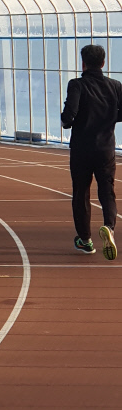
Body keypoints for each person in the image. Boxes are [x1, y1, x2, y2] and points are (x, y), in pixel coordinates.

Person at [61, 44, 122, 260]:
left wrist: (67, 121)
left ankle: (85, 240)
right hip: (105, 148)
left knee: (81, 193)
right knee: (107, 191)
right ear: (104, 63)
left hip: (81, 149)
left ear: (83, 63)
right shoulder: (116, 86)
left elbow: (69, 116)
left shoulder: (76, 85)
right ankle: (109, 227)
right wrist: (108, 119)